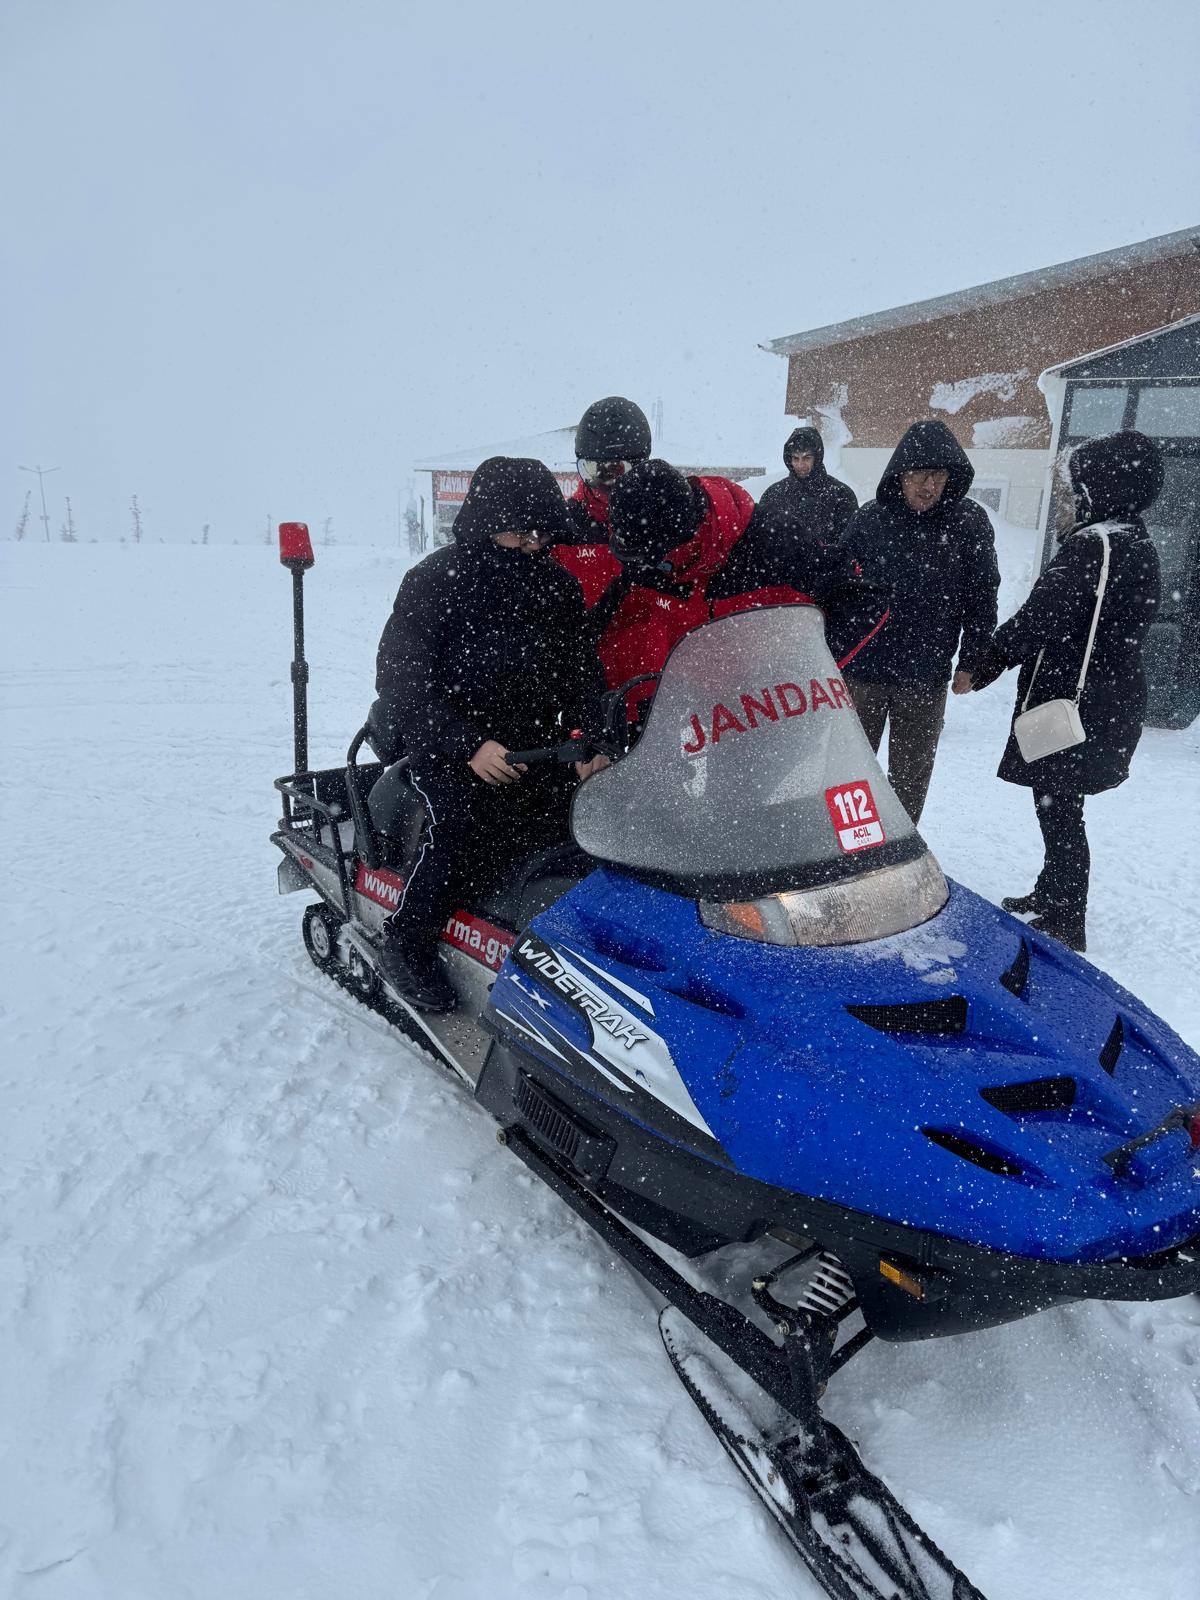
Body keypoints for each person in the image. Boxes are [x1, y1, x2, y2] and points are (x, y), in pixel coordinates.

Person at [369, 457, 607, 1012]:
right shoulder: (434, 581)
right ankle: (405, 941)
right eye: (520, 531)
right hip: (448, 749)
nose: (533, 543)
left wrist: (590, 736)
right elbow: (400, 682)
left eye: (541, 532)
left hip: (536, 745)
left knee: (593, 829)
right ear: (487, 523)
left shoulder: (556, 585)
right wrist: (468, 744)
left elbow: (582, 672)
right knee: (459, 831)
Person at [966, 431, 1163, 953]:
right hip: (1110, 699)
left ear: (1099, 486)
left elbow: (1040, 617)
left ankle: (1067, 916)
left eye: (1074, 488)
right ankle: (1052, 892)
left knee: (1059, 807)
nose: (1068, 499)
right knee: (1061, 803)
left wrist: (987, 662)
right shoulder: (1139, 543)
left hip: (1075, 700)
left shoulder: (1094, 545)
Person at [841, 419, 1000, 823]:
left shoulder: (968, 523)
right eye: (919, 475)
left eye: (938, 476)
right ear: (900, 473)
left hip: (925, 676)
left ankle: (900, 846)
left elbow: (982, 596)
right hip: (862, 673)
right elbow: (836, 587)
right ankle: (845, 847)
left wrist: (971, 660)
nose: (928, 486)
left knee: (909, 780)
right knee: (849, 775)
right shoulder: (870, 519)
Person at [599, 457, 755, 716]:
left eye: (646, 556)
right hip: (681, 713)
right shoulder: (643, 564)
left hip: (766, 712)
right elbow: (599, 632)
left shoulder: (771, 542)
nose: (642, 566)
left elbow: (831, 606)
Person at [706, 499, 891, 669]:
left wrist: (822, 657)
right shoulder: (775, 495)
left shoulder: (840, 495)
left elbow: (843, 562)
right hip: (770, 653)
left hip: (835, 645)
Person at [550, 395, 653, 606]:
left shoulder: (662, 520)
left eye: (616, 469)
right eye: (591, 469)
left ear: (641, 466)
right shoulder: (565, 527)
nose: (603, 482)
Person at [755, 424, 858, 545]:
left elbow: (849, 544)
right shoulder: (773, 495)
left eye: (806, 458)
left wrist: (824, 551)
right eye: (796, 458)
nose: (800, 464)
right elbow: (762, 542)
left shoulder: (841, 494)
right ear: (789, 459)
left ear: (817, 457)